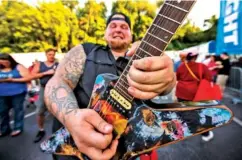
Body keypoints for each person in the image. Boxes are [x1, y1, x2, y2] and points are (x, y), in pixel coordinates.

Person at [44, 13, 176, 160]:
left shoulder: (145, 58)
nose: (118, 29)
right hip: (72, 150)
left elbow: (166, 89)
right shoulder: (86, 51)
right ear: (105, 34)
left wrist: (168, 81)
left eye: (124, 27)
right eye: (113, 26)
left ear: (131, 36)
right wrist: (70, 117)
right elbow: (58, 81)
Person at [0, 54, 53, 137]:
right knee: (2, 111)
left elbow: (29, 77)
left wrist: (12, 80)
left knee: (18, 110)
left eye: (6, 62)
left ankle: (18, 127)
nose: (4, 64)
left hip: (17, 92)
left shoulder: (18, 67)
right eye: (2, 62)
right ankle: (4, 129)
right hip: (2, 94)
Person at [176, 52, 214, 142]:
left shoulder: (181, 66)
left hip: (181, 92)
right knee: (201, 114)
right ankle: (205, 134)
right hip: (196, 93)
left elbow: (177, 77)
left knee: (184, 112)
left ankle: (183, 131)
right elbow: (209, 78)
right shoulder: (201, 66)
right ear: (196, 57)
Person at [32, 48, 59, 143]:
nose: (52, 56)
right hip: (44, 88)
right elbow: (32, 75)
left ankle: (59, 132)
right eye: (49, 54)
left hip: (56, 89)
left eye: (53, 54)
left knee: (59, 110)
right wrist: (46, 73)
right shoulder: (40, 64)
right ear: (46, 55)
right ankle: (41, 130)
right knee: (39, 110)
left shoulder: (58, 64)